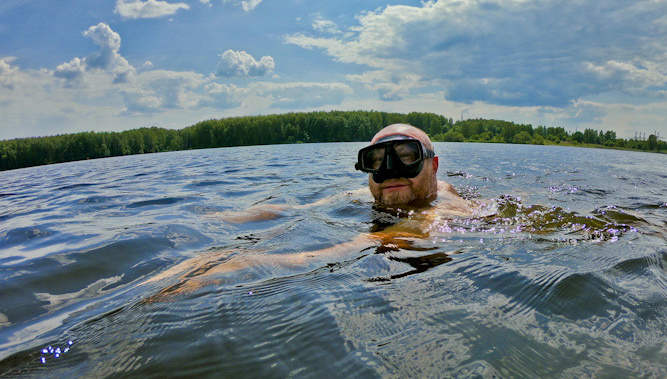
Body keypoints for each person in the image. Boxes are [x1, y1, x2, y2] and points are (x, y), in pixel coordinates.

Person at [144, 124, 472, 299]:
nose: (390, 171)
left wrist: (250, 263)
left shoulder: (446, 204)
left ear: (434, 166)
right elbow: (296, 208)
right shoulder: (370, 192)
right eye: (377, 161)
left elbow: (396, 237)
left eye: (405, 156)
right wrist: (210, 219)